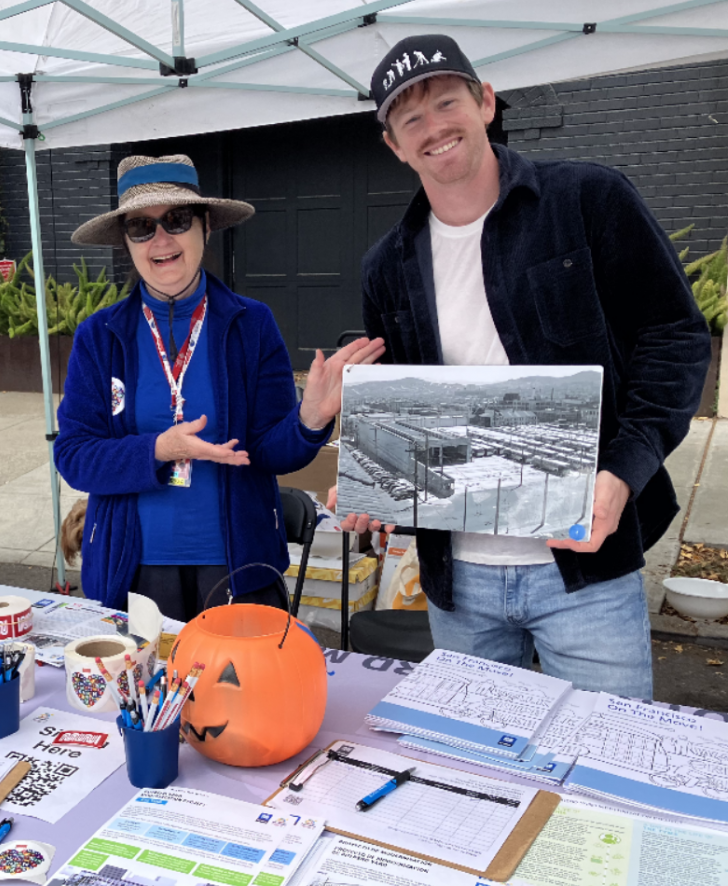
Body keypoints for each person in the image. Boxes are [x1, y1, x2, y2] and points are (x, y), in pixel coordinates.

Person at [335, 35, 710, 698]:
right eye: (411, 118)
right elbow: (402, 413)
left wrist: (623, 471)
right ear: (394, 145)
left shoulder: (587, 200)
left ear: (485, 102)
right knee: (475, 757)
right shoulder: (386, 266)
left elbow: (674, 337)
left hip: (585, 569)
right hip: (458, 581)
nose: (433, 128)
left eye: (446, 102)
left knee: (602, 753)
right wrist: (376, 483)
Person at [56, 154, 385, 620]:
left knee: (237, 671)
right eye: (141, 227)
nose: (161, 239)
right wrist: (159, 449)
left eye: (177, 219)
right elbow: (74, 456)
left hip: (237, 567)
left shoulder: (252, 324)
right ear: (126, 242)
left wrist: (310, 418)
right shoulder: (99, 336)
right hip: (134, 571)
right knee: (151, 671)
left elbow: (272, 452)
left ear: (205, 227)